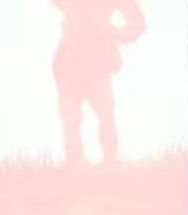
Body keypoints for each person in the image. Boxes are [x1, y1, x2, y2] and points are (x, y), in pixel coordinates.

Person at [51, 0, 147, 164]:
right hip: (73, 59)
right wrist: (117, 33)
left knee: (101, 113)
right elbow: (137, 22)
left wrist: (117, 33)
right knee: (74, 114)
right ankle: (77, 164)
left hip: (93, 58)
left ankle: (106, 163)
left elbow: (137, 23)